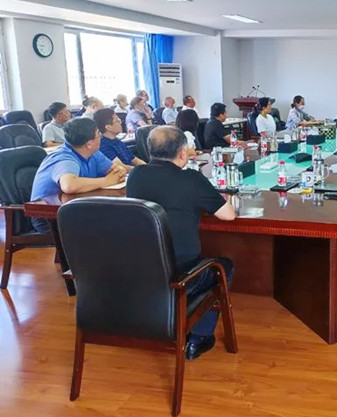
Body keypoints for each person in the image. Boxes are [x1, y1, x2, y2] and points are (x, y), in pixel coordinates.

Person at [126, 126, 236, 359]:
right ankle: (198, 338)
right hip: (180, 276)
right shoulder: (191, 179)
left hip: (140, 272)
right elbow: (228, 215)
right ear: (183, 153)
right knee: (223, 267)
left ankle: (163, 313)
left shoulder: (135, 175)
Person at [30, 118, 126, 233]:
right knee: (114, 228)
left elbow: (114, 170)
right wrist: (106, 181)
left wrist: (119, 171)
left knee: (120, 221)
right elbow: (69, 186)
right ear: (89, 144)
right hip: (49, 217)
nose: (101, 137)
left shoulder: (93, 153)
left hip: (76, 209)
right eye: (98, 134)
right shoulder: (64, 157)